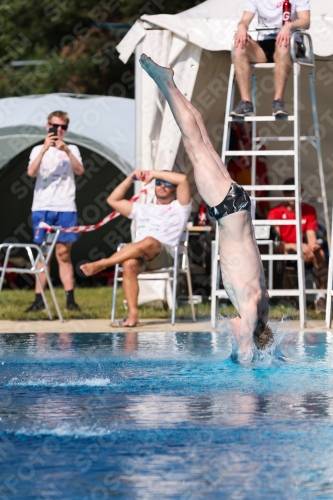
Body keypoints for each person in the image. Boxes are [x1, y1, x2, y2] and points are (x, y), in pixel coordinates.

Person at [138, 54, 273, 360]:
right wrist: (248, 358)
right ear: (251, 329)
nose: (232, 327)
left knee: (200, 141)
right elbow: (247, 343)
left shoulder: (261, 301)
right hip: (228, 210)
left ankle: (170, 84)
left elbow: (260, 328)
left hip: (235, 207)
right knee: (195, 143)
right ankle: (166, 83)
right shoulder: (251, 306)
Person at [80, 169, 192, 327]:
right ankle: (133, 315)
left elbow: (183, 178)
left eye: (167, 183)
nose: (162, 186)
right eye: (158, 183)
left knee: (148, 242)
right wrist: (130, 178)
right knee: (129, 264)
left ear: (174, 189)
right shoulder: (143, 208)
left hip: (165, 254)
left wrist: (154, 174)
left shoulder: (180, 208)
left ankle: (104, 263)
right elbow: (113, 200)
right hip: (141, 254)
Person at [25, 110, 84, 312]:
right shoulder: (37, 150)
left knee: (63, 254)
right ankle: (39, 299)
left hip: (66, 207)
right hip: (42, 207)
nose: (58, 130)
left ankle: (70, 299)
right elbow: (31, 173)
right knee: (43, 254)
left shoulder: (72, 149)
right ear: (47, 126)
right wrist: (44, 149)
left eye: (62, 127)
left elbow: (80, 171)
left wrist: (65, 150)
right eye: (54, 126)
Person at [231, 0, 310, 117]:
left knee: (282, 44)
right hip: (264, 45)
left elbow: (306, 21)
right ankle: (245, 102)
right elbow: (244, 20)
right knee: (239, 46)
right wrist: (242, 28)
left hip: (289, 42)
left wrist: (289, 25)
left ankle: (278, 101)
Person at [267, 177, 328, 313]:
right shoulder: (275, 212)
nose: (292, 195)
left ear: (301, 192)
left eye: (294, 192)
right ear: (284, 193)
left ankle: (321, 297)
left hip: (300, 251)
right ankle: (280, 297)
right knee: (278, 253)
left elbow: (311, 237)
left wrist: (313, 247)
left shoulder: (309, 210)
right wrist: (296, 246)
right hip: (284, 251)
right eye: (288, 192)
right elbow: (275, 243)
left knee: (320, 253)